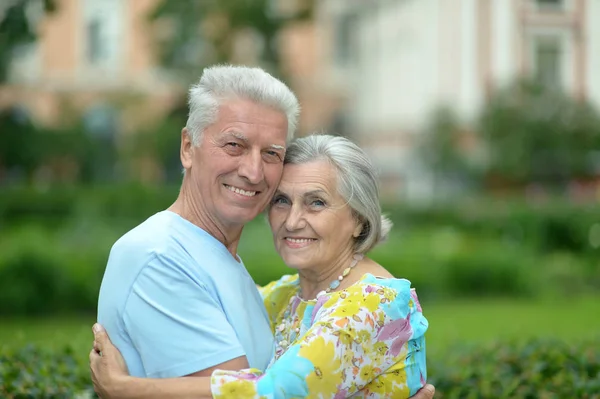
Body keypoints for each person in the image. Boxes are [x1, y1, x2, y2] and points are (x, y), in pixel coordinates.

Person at [91, 134, 434, 398]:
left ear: (359, 219)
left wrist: (127, 388)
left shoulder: (375, 304)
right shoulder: (285, 295)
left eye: (316, 203)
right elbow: (204, 293)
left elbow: (271, 391)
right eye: (281, 201)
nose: (293, 221)